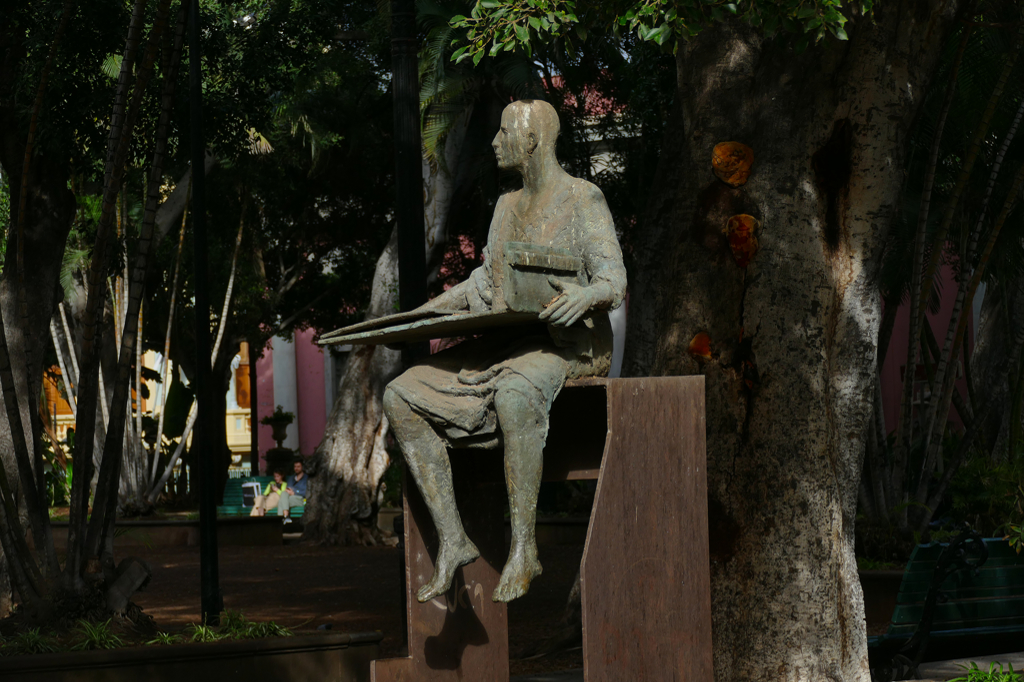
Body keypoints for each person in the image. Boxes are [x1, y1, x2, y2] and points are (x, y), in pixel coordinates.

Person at [382, 99, 626, 604]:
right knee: (400, 394)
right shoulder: (505, 207)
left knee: (515, 394)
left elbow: (613, 280)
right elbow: (484, 284)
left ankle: (525, 548)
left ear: (532, 140)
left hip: (571, 344)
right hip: (506, 342)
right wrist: (418, 317)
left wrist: (583, 295)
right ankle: (452, 539)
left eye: (502, 133)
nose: (494, 143)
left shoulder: (584, 199)